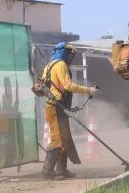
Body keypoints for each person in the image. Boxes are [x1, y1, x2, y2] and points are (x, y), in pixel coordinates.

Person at [40, 43, 97, 180]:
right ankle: (47, 171)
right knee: (57, 139)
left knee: (65, 139)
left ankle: (62, 170)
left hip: (57, 106)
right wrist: (89, 90)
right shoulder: (61, 65)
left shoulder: (48, 66)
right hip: (55, 107)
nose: (71, 57)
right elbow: (68, 85)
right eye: (71, 54)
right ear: (65, 53)